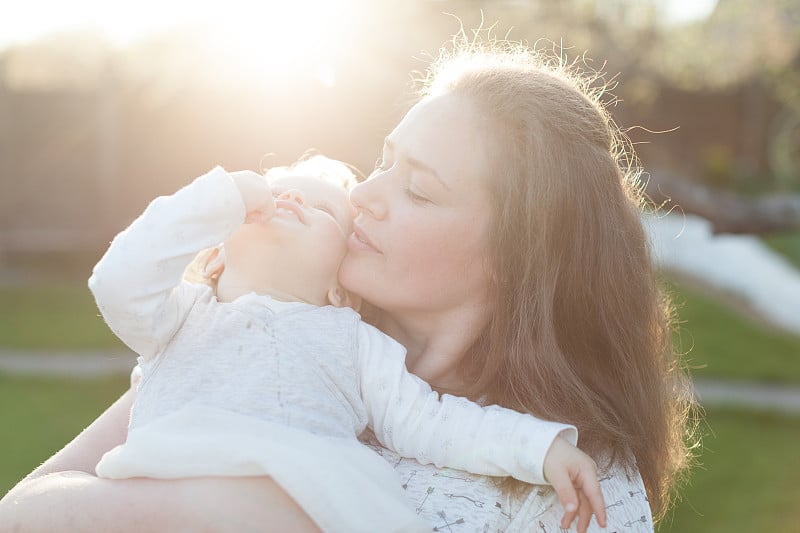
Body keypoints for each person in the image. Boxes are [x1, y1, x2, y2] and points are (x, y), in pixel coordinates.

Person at [0, 31, 695, 533]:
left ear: (516, 257)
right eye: (384, 161)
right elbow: (25, 514)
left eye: (417, 190)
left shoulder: (577, 489)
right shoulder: (246, 342)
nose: (365, 196)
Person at [82, 153, 603, 533]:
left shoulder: (351, 343)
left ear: (340, 288)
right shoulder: (176, 321)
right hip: (167, 500)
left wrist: (540, 449)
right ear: (215, 255)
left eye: (323, 208)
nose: (288, 201)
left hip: (308, 505)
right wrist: (225, 195)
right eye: (271, 195)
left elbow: (435, 422)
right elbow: (117, 281)